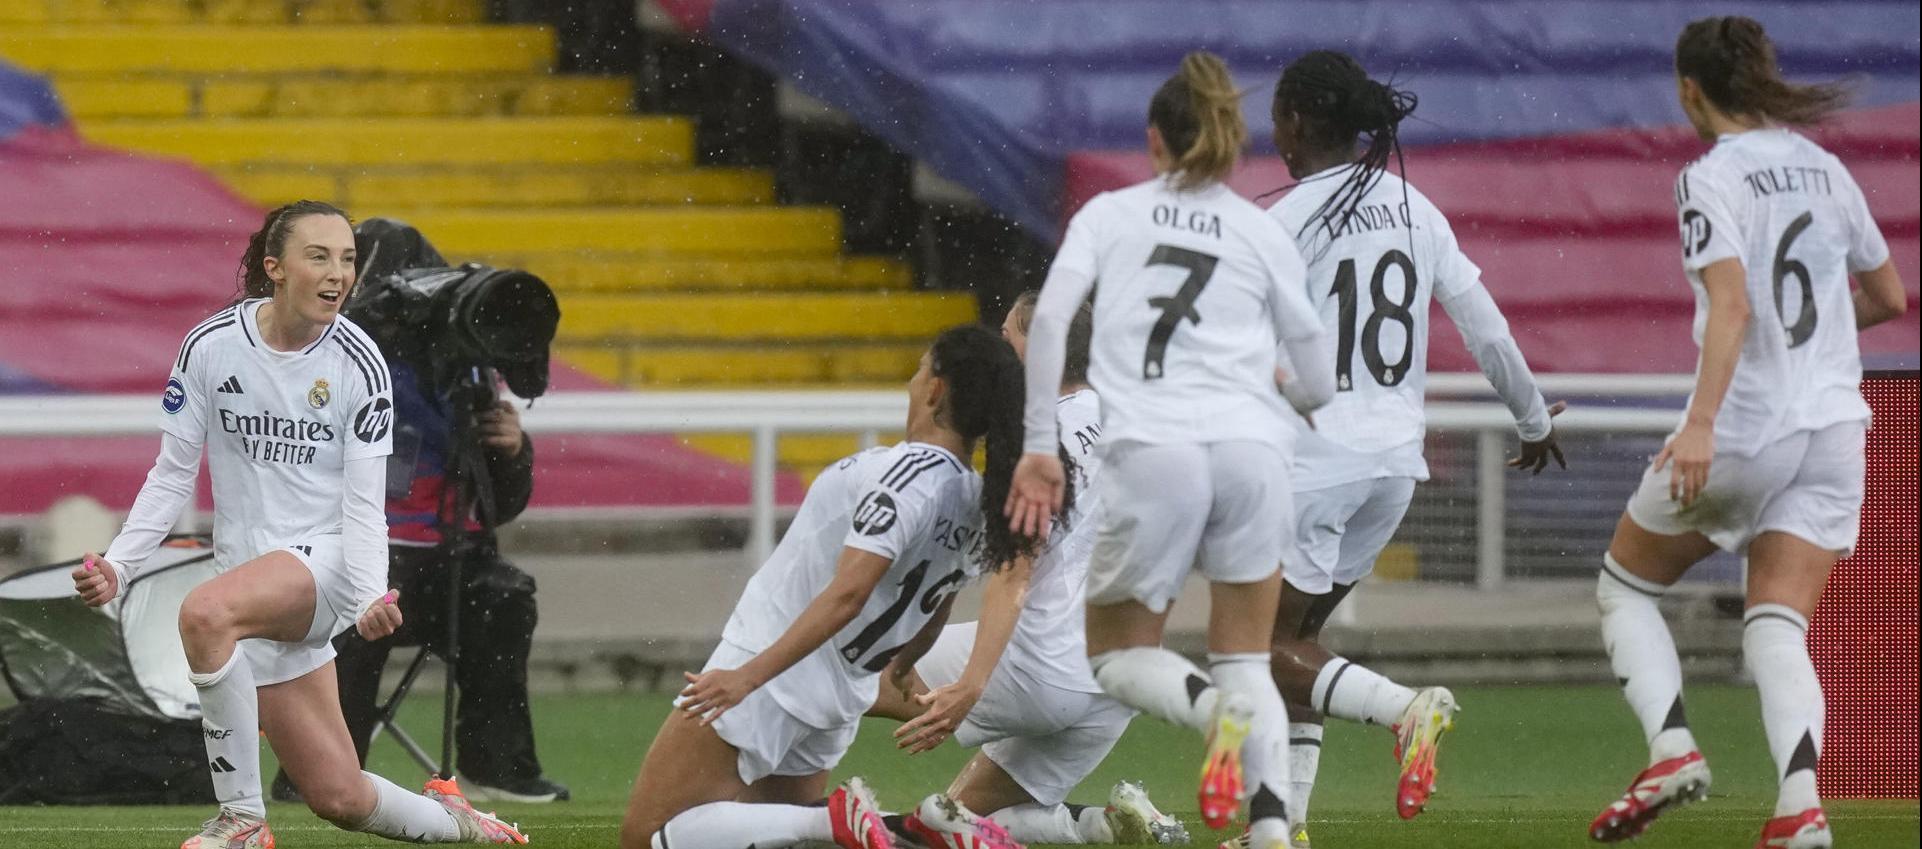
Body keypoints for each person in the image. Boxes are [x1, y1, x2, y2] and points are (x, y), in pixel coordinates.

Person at [71, 200, 527, 847]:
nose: (339, 272)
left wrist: (370, 590)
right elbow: (173, 473)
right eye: (320, 256)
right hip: (253, 578)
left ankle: (241, 822)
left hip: (329, 565)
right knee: (339, 794)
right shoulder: (211, 347)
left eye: (347, 259)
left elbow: (365, 502)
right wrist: (120, 563)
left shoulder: (358, 363)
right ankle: (465, 825)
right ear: (274, 267)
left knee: (204, 614)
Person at [1587, 16, 1908, 849]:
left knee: (1626, 585)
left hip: (1750, 427)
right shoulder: (1825, 168)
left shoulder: (1710, 178)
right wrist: (1819, 346)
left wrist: (1699, 423)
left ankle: (1670, 749)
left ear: (1691, 90)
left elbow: (1731, 304)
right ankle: (1800, 807)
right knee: (1776, 622)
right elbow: (1890, 296)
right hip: (1835, 428)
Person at [1007, 51, 1334, 849]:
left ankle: (1213, 718)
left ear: (1154, 140)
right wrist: (1277, 389)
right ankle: (1267, 833)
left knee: (1117, 659)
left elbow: (1047, 323)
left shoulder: (1110, 215)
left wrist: (1038, 447)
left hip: (1158, 446)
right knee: (1246, 658)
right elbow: (1320, 381)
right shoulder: (1260, 229)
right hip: (1255, 454)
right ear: (1230, 144)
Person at [1256, 50, 1567, 844]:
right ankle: (1286, 825)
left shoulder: (1283, 223)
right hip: (1394, 464)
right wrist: (1532, 420)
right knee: (1303, 648)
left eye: (1277, 117)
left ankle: (1406, 709)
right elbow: (1485, 326)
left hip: (1313, 464)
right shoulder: (1414, 207)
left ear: (1294, 120)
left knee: (1259, 650)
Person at [619, 324, 1044, 849]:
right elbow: (935, 603)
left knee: (645, 837)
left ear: (936, 389)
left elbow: (851, 592)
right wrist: (906, 666)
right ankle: (897, 828)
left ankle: (863, 822)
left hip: (775, 665)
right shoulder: (976, 501)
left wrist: (746, 677)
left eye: (918, 371)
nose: (912, 383)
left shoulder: (907, 474)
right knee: (768, 834)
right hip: (842, 691)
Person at [868, 293, 1188, 845]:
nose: (999, 350)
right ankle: (1102, 827)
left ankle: (743, 816)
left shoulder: (1034, 438)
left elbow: (1014, 575)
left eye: (1008, 336)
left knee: (824, 671)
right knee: (949, 827)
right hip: (1120, 680)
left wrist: (972, 683)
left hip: (1041, 667)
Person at [270, 245, 567, 805]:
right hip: (356, 554)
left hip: (454, 558)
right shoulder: (338, 354)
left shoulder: (470, 357)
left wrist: (511, 451)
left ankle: (498, 766)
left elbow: (499, 508)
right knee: (351, 615)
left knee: (504, 599)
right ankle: (320, 774)